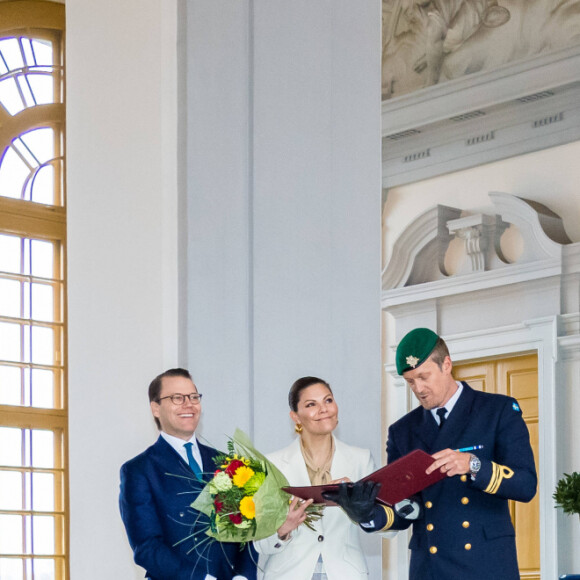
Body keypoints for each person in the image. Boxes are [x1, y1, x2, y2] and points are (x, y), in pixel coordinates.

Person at [327, 328, 537, 580]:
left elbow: (525, 485)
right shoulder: (402, 431)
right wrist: (367, 514)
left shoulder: (497, 410)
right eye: (410, 381)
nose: (418, 388)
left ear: (446, 364)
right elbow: (407, 507)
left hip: (485, 565)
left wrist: (475, 465)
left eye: (424, 376)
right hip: (430, 568)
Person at [119, 368, 256, 580]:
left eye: (193, 397)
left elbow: (244, 532)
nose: (189, 404)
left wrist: (243, 575)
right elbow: (147, 547)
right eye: (177, 398)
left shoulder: (225, 465)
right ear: (156, 408)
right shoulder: (140, 470)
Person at [253, 376, 376, 579]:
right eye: (311, 404)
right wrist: (283, 529)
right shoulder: (271, 464)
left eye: (328, 400)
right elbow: (261, 545)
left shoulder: (360, 459)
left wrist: (363, 512)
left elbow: (386, 529)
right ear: (296, 417)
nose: (324, 409)